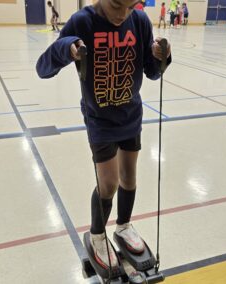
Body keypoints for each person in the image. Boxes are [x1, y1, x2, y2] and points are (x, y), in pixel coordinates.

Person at [36, 0, 171, 269]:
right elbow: (43, 69)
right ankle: (98, 235)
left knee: (129, 178)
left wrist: (161, 57)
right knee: (108, 184)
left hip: (131, 115)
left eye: (130, 8)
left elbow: (152, 73)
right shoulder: (82, 22)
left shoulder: (140, 22)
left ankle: (123, 226)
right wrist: (67, 48)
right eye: (116, 6)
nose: (122, 15)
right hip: (99, 119)